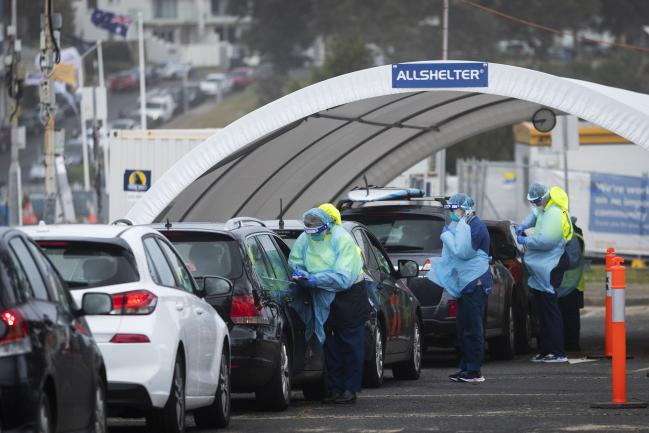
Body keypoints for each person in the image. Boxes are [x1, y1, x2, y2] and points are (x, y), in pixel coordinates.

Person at [288, 203, 367, 404]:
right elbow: (295, 259)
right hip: (322, 296)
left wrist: (315, 279)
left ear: (328, 226)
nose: (313, 235)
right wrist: (299, 272)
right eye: (310, 231)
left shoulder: (341, 240)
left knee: (350, 345)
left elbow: (343, 277)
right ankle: (334, 389)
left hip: (347, 296)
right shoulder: (305, 237)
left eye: (317, 231)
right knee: (330, 345)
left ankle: (350, 389)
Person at [425, 193, 492, 383]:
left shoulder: (475, 226)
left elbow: (463, 252)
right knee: (463, 328)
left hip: (475, 283)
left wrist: (446, 235)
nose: (452, 213)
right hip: (466, 283)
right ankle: (466, 367)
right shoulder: (465, 224)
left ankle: (474, 371)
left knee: (472, 329)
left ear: (466, 208)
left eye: (455, 209)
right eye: (451, 210)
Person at [516, 183, 572, 363]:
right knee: (542, 310)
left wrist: (525, 239)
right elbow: (534, 216)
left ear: (542, 198)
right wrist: (522, 225)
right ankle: (547, 349)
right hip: (544, 266)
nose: (533, 205)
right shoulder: (544, 209)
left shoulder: (554, 213)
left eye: (535, 201)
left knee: (550, 309)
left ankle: (557, 352)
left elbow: (546, 241)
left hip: (552, 265)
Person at [557, 217, 586, 353]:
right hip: (568, 284)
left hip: (571, 285)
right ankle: (568, 343)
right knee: (567, 316)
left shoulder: (575, 238)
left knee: (569, 317)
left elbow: (572, 259)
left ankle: (571, 344)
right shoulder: (576, 236)